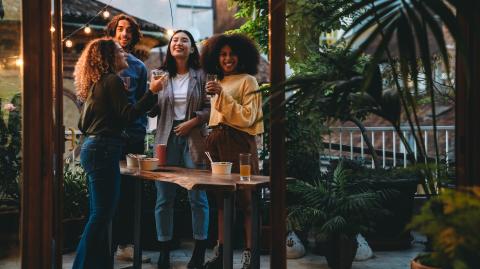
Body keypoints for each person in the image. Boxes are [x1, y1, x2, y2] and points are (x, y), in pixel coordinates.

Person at [72, 38, 160, 269]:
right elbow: (128, 115)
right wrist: (151, 91)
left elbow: (82, 124)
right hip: (103, 150)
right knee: (101, 214)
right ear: (109, 57)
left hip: (93, 148)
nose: (125, 55)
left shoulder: (97, 82)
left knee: (98, 212)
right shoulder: (112, 81)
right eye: (120, 52)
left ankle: (97, 264)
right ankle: (80, 265)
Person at [200, 33, 263, 269]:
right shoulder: (219, 82)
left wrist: (221, 94)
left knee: (246, 200)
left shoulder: (248, 81)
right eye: (223, 54)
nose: (227, 59)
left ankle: (250, 254)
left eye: (232, 54)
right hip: (215, 140)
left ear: (241, 56)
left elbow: (248, 117)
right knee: (221, 201)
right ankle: (221, 252)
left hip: (238, 141)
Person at [148, 30, 210, 269]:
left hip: (194, 137)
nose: (179, 43)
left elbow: (210, 108)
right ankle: (164, 250)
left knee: (197, 195)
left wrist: (193, 122)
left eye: (184, 40)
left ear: (192, 48)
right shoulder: (161, 76)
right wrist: (152, 91)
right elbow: (152, 111)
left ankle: (199, 251)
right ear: (170, 48)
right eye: (175, 40)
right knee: (164, 197)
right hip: (166, 138)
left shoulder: (201, 75)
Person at [105, 14, 150, 262]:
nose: (124, 34)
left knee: (131, 192)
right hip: (107, 137)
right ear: (113, 32)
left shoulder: (138, 67)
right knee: (108, 190)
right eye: (120, 29)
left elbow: (143, 103)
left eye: (129, 31)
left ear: (133, 37)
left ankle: (127, 244)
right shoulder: (99, 62)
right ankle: (107, 244)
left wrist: (139, 131)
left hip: (132, 138)